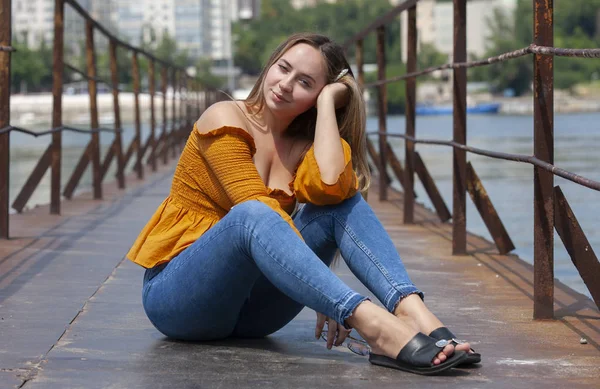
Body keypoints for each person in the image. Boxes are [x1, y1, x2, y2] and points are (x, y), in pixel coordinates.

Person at [127, 33, 480, 376]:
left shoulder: (303, 146)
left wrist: (328, 104)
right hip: (180, 300)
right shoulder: (224, 117)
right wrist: (328, 293)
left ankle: (417, 315)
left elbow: (331, 186)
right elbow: (255, 209)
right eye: (283, 68)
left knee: (340, 205)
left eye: (306, 83)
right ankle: (374, 325)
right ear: (269, 66)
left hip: (254, 316)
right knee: (253, 213)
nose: (285, 84)